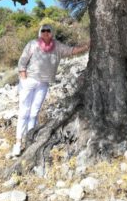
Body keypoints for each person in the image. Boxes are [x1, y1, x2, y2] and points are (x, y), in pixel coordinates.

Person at [12, 24, 89, 156]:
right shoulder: (33, 44)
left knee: (34, 112)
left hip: (44, 83)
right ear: (40, 32)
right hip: (29, 81)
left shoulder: (57, 46)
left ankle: (30, 139)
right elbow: (22, 61)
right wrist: (23, 76)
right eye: (43, 30)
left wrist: (87, 46)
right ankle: (18, 143)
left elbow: (72, 50)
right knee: (24, 112)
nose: (46, 33)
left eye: (48, 31)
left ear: (52, 33)